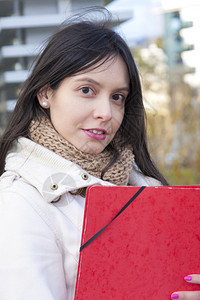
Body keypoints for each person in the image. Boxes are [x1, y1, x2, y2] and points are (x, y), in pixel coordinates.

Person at [0, 8, 199, 300]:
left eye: (117, 97)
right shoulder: (21, 203)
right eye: (87, 90)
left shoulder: (144, 187)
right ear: (45, 94)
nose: (106, 113)